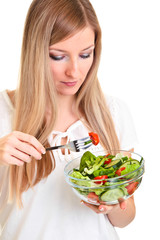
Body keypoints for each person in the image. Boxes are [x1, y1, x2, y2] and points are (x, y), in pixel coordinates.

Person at [0, 0, 138, 239]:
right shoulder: (4, 111)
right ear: (35, 51)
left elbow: (126, 218)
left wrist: (114, 203)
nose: (74, 71)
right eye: (58, 56)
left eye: (86, 54)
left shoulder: (113, 112)